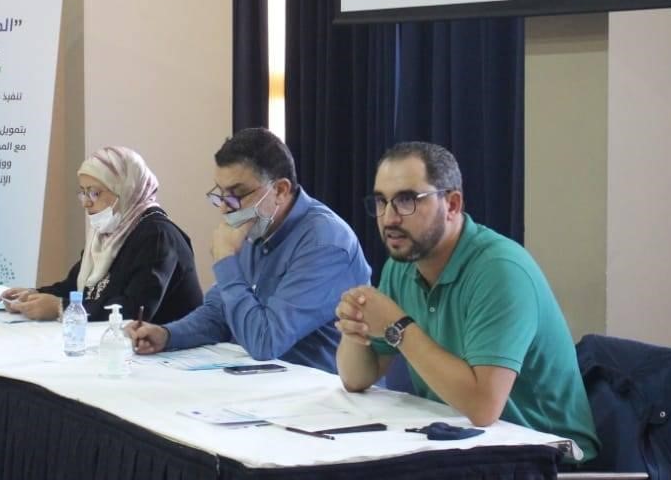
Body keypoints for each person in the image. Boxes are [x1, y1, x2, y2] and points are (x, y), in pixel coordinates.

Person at [335, 142, 599, 460]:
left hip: (544, 458)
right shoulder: (402, 266)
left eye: (406, 200)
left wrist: (397, 326)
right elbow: (357, 378)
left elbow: (483, 408)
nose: (389, 218)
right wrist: (354, 326)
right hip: (459, 446)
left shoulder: (500, 271)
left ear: (452, 204)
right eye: (381, 201)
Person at [125, 128, 370, 372]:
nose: (225, 209)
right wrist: (167, 335)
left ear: (280, 190)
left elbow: (266, 342)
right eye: (221, 196)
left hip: (320, 387)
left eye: (237, 195)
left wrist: (226, 261)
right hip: (261, 380)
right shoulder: (257, 227)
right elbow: (219, 313)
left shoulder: (325, 243)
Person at [0, 146, 202, 324]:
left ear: (125, 189)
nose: (86, 202)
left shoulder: (158, 236)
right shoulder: (108, 232)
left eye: (95, 193)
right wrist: (35, 295)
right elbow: (75, 286)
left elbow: (134, 309)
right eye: (83, 192)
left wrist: (61, 307)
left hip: (170, 350)